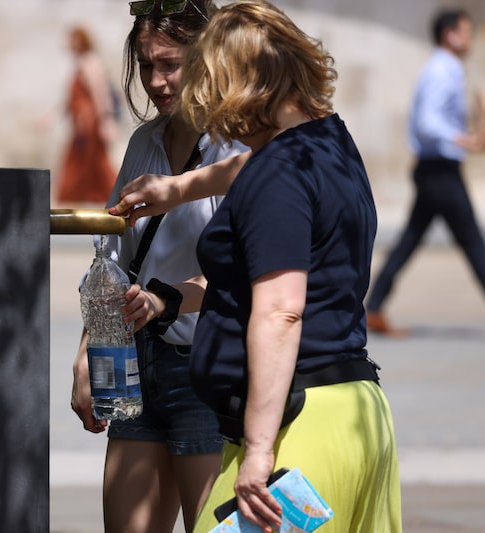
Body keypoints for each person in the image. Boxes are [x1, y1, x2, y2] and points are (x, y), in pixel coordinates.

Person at [113, 2, 402, 531]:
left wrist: (260, 452)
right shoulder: (328, 142)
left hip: (296, 430)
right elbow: (252, 165)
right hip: (356, 415)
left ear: (237, 86)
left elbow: (280, 313)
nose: (211, 112)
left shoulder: (279, 177)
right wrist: (179, 189)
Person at [70, 2, 247, 532]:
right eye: (146, 65)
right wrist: (86, 353)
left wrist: (164, 298)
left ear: (206, 57)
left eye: (169, 63)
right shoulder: (142, 143)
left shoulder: (239, 148)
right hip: (134, 363)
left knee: (213, 527)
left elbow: (244, 273)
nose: (156, 80)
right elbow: (114, 261)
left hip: (207, 369)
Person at [365, 8, 485, 336]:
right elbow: (426, 121)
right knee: (473, 243)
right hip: (439, 171)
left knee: (410, 241)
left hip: (436, 170)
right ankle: (373, 307)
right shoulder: (442, 70)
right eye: (466, 31)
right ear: (450, 34)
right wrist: (465, 138)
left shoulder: (447, 68)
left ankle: (374, 307)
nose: (470, 38)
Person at [54, 26, 119, 206]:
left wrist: (107, 121)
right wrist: (51, 117)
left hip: (90, 123)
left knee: (97, 163)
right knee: (83, 163)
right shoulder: (80, 63)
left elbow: (101, 93)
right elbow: (71, 100)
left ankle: (117, 195)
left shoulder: (90, 62)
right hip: (81, 124)